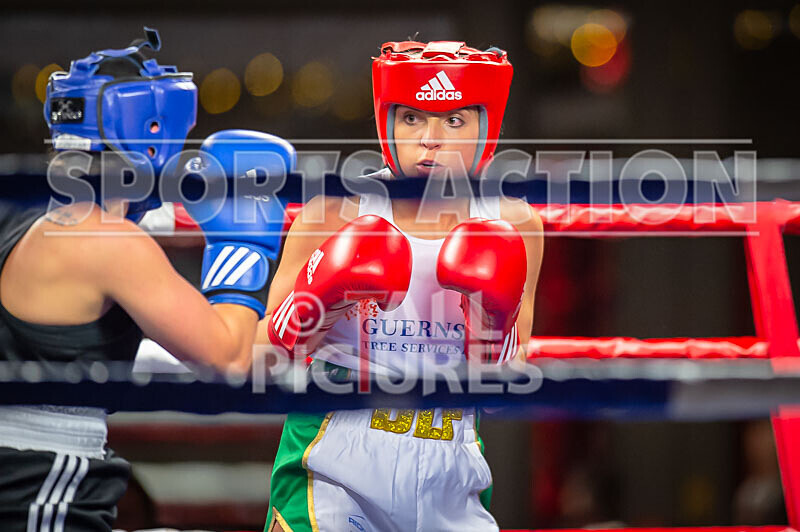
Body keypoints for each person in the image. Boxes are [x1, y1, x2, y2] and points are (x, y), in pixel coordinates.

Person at [0, 28, 291, 531]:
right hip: (40, 485)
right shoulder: (109, 242)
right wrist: (242, 241)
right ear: (154, 132)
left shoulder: (28, 217)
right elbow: (229, 358)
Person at [262, 40, 544, 532]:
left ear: (487, 126)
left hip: (451, 465)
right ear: (387, 120)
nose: (430, 138)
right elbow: (256, 359)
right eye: (412, 117)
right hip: (333, 458)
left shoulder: (514, 224)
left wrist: (491, 326)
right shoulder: (336, 211)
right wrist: (314, 304)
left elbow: (506, 385)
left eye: (454, 120)